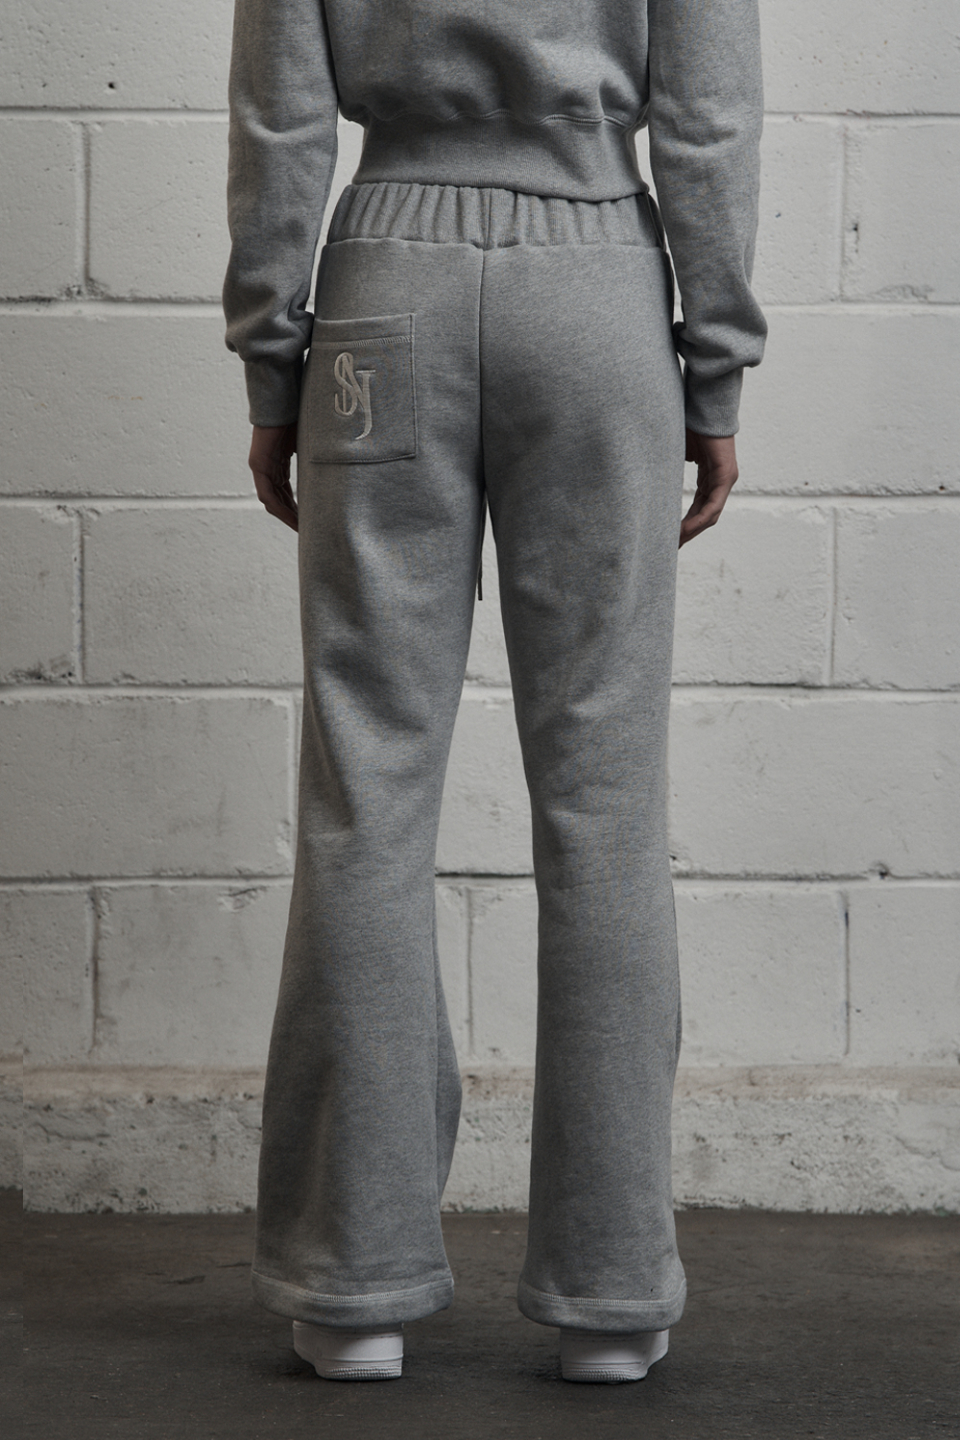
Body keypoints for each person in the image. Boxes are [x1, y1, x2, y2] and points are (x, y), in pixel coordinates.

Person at [223, 0, 766, 1385]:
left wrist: (273, 356)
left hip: (382, 290)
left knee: (366, 784)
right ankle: (612, 1296)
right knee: (604, 798)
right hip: (597, 299)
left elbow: (282, 116)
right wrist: (715, 367)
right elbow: (707, 122)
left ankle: (352, 1291)